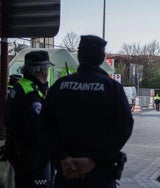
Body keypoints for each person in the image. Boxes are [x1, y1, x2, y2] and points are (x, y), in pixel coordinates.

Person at [38, 35, 134, 188]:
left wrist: (63, 158)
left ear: (79, 56)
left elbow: (44, 127)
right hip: (100, 176)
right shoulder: (112, 88)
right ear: (102, 58)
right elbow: (124, 127)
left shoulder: (60, 86)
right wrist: (93, 160)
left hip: (67, 173)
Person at [4, 50, 54, 188]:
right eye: (46, 68)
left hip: (19, 152)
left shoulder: (21, 85)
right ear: (41, 70)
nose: (47, 72)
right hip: (32, 158)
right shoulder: (30, 94)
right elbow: (39, 130)